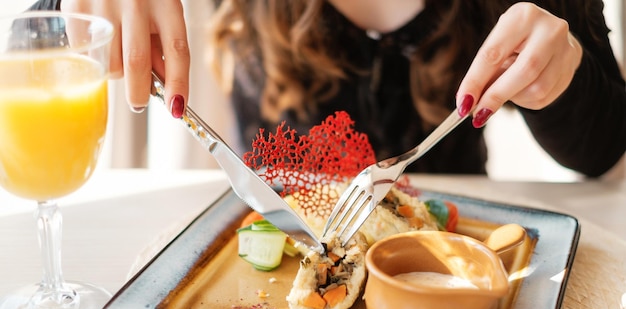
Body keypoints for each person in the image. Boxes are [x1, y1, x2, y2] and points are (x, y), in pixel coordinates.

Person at [31, 0, 626, 176]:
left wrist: (562, 78)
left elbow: (604, 147)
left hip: (448, 248)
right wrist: (71, 10)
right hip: (278, 251)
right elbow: (29, 42)